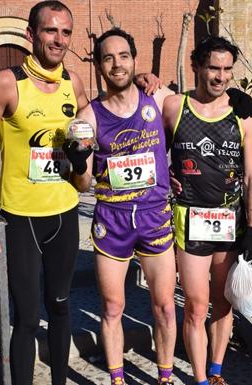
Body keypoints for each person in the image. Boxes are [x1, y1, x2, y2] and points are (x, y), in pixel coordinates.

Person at [0, 2, 159, 384]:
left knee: (60, 306)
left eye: (66, 32)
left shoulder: (74, 83)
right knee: (24, 316)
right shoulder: (7, 82)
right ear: (32, 35)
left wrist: (140, 80)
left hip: (65, 212)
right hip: (21, 218)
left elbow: (104, 113)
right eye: (50, 31)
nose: (59, 39)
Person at [76, 28, 177, 385]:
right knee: (112, 308)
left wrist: (238, 103)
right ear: (98, 66)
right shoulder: (89, 116)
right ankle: (118, 379)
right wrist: (76, 163)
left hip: (154, 218)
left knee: (165, 306)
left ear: (134, 60)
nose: (116, 64)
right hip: (112, 220)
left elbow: (201, 110)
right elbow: (84, 183)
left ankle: (165, 378)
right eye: (108, 57)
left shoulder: (158, 97)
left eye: (123, 56)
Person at [163, 36, 252, 385]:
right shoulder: (174, 106)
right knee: (195, 304)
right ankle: (200, 378)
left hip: (230, 219)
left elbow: (251, 174)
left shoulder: (244, 114)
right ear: (197, 67)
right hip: (189, 219)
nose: (220, 77)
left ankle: (216, 370)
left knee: (224, 302)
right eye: (213, 68)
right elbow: (157, 150)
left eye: (227, 70)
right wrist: (168, 174)